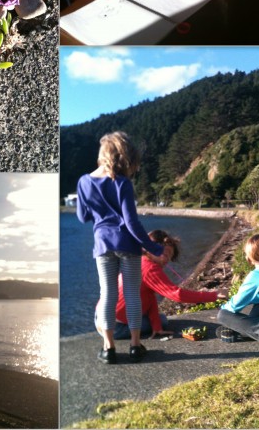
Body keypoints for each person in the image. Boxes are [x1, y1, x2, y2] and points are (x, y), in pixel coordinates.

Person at [77, 131, 166, 364]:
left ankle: (109, 349)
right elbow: (131, 222)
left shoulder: (84, 182)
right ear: (124, 156)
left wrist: (98, 211)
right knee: (132, 294)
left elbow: (82, 216)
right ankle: (136, 346)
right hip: (127, 244)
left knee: (107, 294)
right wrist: (154, 249)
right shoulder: (123, 183)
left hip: (103, 245)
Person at [96, 230, 228, 339]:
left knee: (159, 320)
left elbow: (149, 297)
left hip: (101, 317)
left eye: (169, 256)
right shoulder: (150, 269)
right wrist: (214, 295)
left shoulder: (140, 261)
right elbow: (178, 295)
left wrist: (156, 327)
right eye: (165, 253)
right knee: (163, 320)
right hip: (115, 327)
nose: (167, 259)